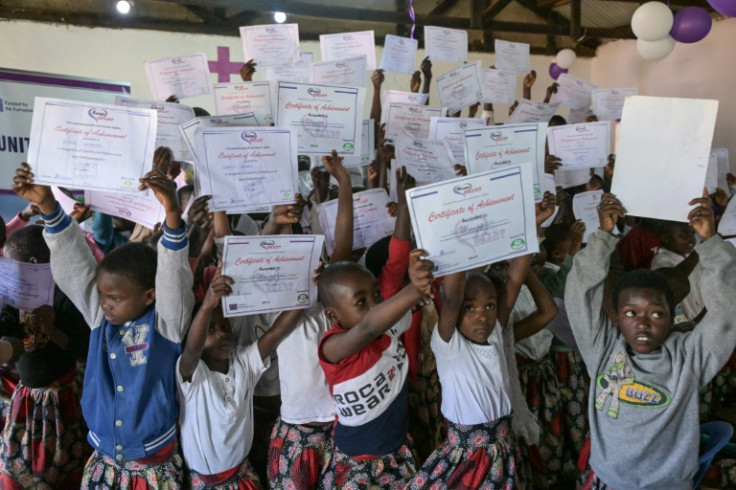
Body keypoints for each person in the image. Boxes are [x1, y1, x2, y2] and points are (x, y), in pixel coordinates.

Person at [12, 162, 195, 489]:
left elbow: (174, 279)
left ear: (150, 296)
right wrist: (49, 207)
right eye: (102, 295)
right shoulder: (101, 319)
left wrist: (171, 215)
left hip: (151, 466)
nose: (105, 304)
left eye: (115, 298)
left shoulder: (165, 324)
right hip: (102, 461)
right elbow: (75, 267)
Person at [566, 191, 736, 489]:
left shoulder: (688, 359)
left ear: (672, 318)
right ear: (616, 316)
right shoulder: (603, 349)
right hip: (609, 481)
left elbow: (726, 315)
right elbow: (581, 293)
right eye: (631, 312)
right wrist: (604, 236)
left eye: (656, 314)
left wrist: (710, 243)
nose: (642, 323)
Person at [407, 255, 557, 489]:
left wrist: (527, 228)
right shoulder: (449, 345)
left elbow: (516, 278)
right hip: (469, 455)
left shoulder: (495, 331)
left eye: (490, 306)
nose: (482, 315)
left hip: (503, 447)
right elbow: (452, 296)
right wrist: (458, 239)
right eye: (469, 307)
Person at [177, 264, 301, 489]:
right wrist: (206, 306)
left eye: (225, 325)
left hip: (243, 476)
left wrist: (304, 291)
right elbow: (193, 351)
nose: (223, 332)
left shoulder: (244, 363)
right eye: (211, 330)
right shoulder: (192, 376)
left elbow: (276, 332)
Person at [317, 251, 435, 488]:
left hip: (397, 448)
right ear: (334, 315)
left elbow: (382, 321)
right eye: (361, 301)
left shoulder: (387, 329)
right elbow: (369, 327)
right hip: (360, 464)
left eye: (377, 294)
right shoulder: (333, 347)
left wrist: (415, 301)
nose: (374, 304)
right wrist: (412, 290)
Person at [0, 225, 91, 489]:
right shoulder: (18, 295)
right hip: (27, 395)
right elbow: (7, 323)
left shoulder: (64, 295)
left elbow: (80, 347)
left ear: (32, 264)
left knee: (59, 464)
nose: (7, 267)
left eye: (10, 262)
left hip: (60, 396)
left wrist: (51, 329)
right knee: (15, 462)